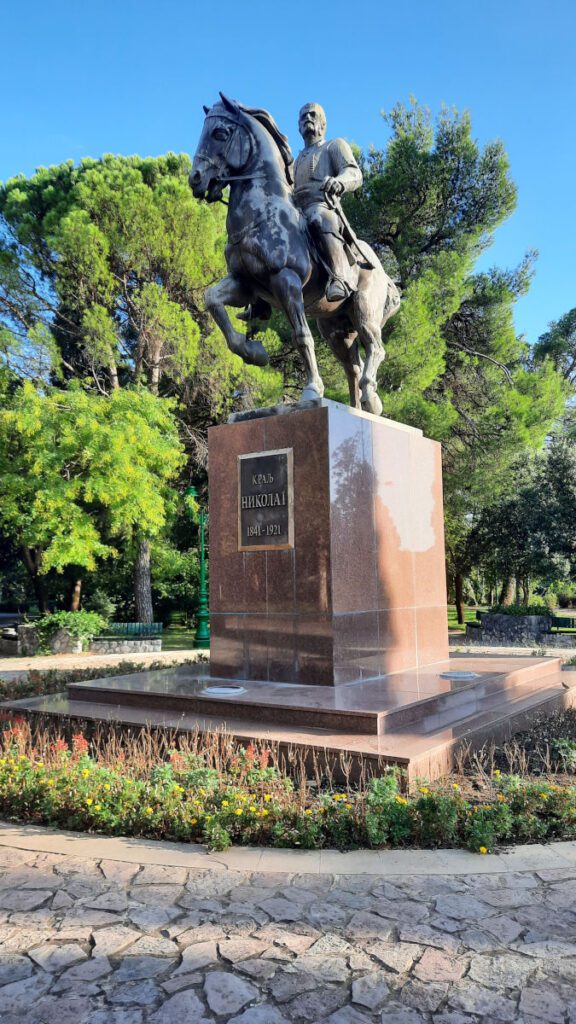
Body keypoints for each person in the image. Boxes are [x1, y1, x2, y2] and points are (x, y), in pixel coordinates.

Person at [294, 102, 363, 301]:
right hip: (296, 211)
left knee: (319, 217)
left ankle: (339, 276)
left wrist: (339, 182)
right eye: (303, 116)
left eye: (313, 115)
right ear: (298, 127)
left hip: (323, 205)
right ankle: (261, 297)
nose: (308, 118)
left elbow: (354, 172)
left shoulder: (334, 145)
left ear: (323, 124)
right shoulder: (295, 160)